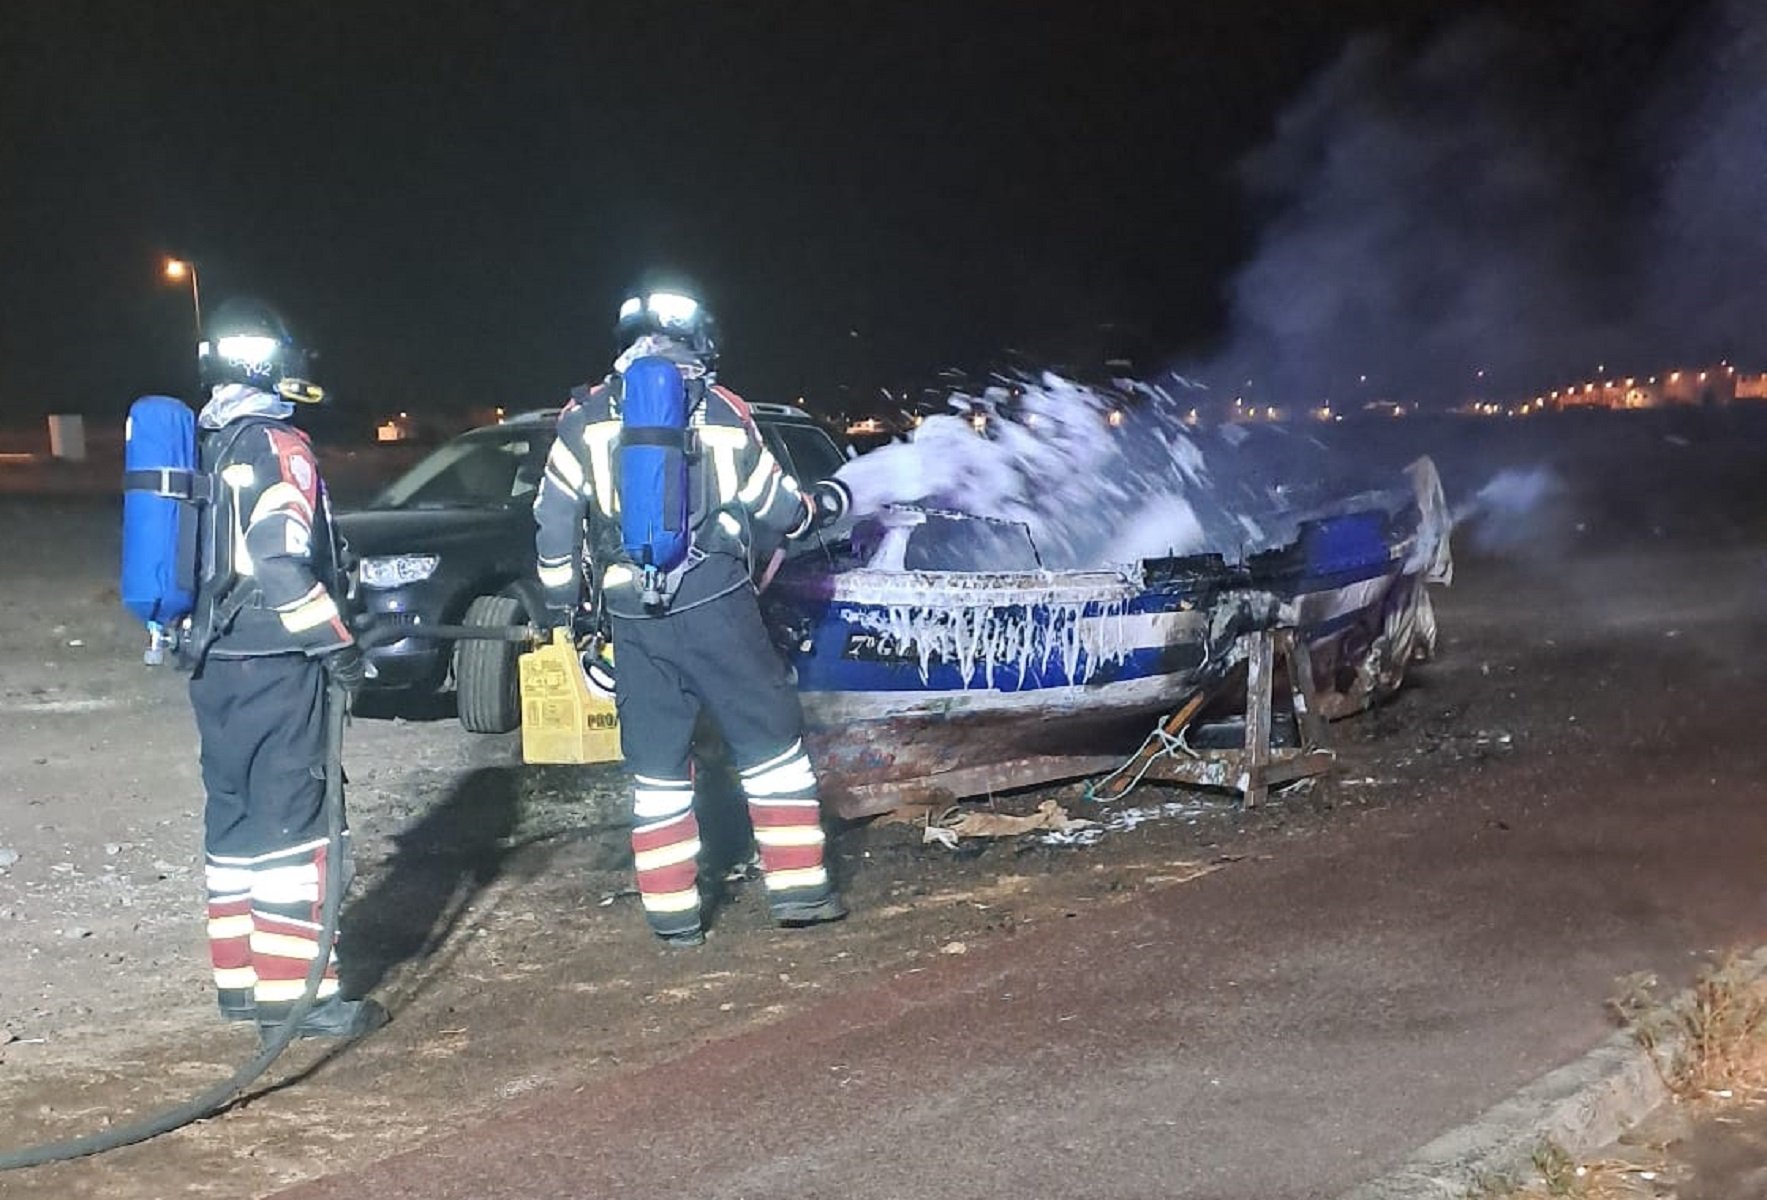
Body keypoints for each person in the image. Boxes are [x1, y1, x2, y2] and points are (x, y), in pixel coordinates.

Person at [533, 284, 852, 945]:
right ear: (700, 339)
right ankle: (800, 896)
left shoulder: (584, 416)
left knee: (655, 770)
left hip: (632, 617)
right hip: (716, 605)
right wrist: (820, 504)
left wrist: (567, 609)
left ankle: (673, 919)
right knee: (770, 751)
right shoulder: (724, 410)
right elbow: (779, 512)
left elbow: (554, 520)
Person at [185, 298, 385, 1037]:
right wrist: (338, 645)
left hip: (214, 662)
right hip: (276, 661)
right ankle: (299, 999)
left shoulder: (208, 444)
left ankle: (239, 983)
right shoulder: (277, 445)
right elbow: (277, 560)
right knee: (295, 828)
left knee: (234, 819)